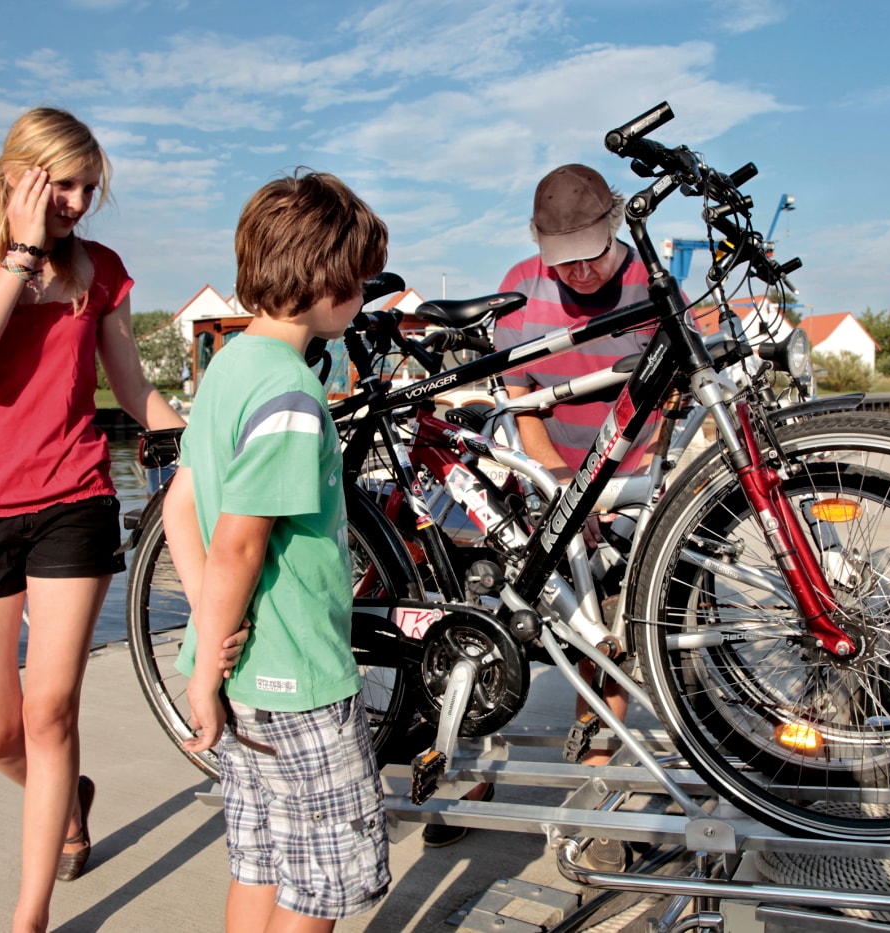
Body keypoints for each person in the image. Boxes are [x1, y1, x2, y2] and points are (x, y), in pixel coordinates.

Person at [0, 108, 205, 933]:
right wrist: (18, 254)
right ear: (20, 175)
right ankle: (69, 799)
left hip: (72, 499)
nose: (79, 200)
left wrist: (206, 429)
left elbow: (132, 389)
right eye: (64, 183)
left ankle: (30, 915)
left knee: (49, 713)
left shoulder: (100, 270)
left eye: (89, 186)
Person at [166, 169, 391, 932]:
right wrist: (204, 674)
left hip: (242, 673)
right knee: (323, 878)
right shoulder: (293, 398)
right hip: (299, 676)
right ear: (328, 280)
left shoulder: (227, 366)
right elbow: (240, 542)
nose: (363, 293)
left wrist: (209, 641)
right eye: (359, 278)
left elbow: (180, 504)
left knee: (261, 857)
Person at [421, 164, 660, 849]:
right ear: (538, 240)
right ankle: (474, 769)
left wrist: (615, 488)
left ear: (614, 224)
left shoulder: (646, 283)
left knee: (604, 629)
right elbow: (519, 398)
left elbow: (661, 404)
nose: (580, 274)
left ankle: (597, 779)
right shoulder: (520, 286)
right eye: (565, 260)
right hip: (544, 464)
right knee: (501, 606)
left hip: (626, 464)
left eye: (589, 257)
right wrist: (559, 484)